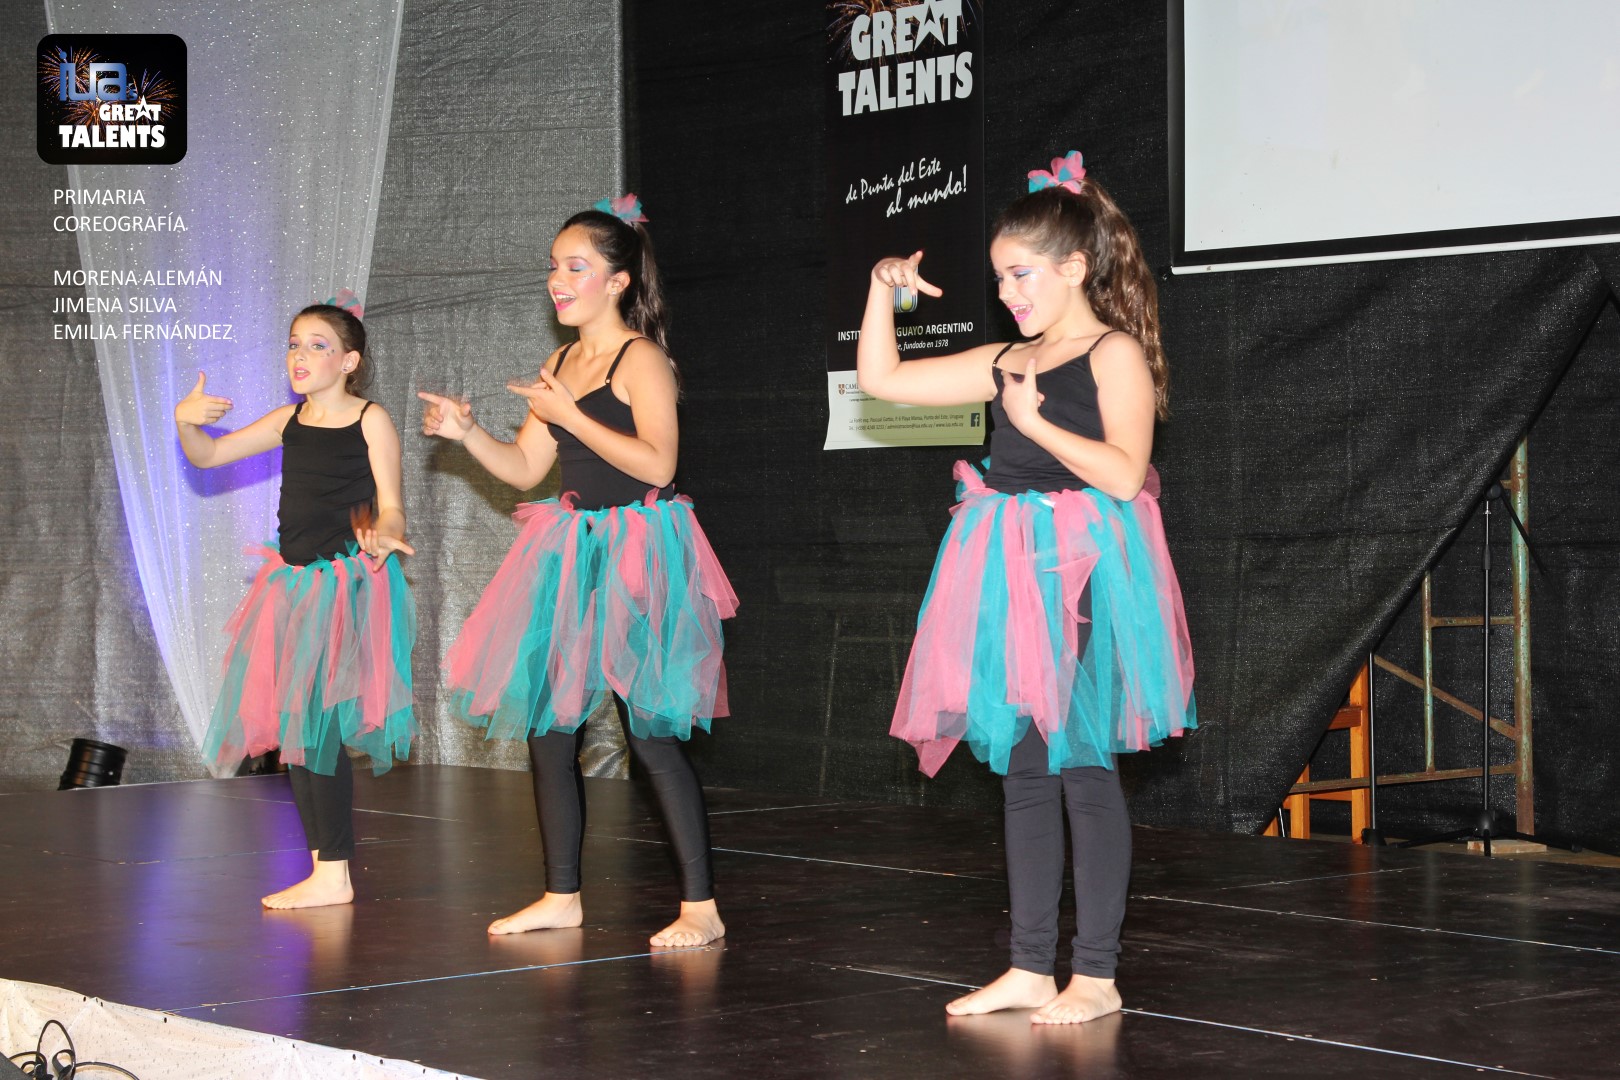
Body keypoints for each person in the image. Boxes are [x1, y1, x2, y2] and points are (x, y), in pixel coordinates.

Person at [857, 152, 1196, 1024]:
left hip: (1081, 569)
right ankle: (1030, 966)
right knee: (1024, 769)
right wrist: (882, 291)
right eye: (1000, 277)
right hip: (1008, 571)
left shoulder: (1112, 352)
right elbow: (882, 381)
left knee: (1082, 766)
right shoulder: (1009, 357)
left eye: (1021, 274)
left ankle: (1097, 975)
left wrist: (1035, 422)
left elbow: (1125, 474)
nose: (1007, 292)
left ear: (1075, 268)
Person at [420, 195, 736, 949]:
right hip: (571, 552)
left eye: (575, 267)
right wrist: (469, 434)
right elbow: (528, 467)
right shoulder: (560, 364)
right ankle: (561, 895)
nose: (557, 281)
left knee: (651, 735)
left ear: (618, 281)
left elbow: (658, 464)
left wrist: (572, 417)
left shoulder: (641, 359)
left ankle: (701, 906)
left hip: (639, 553)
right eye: (554, 268)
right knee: (548, 728)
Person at [175, 292, 416, 910]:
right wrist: (186, 422)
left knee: (318, 723)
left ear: (349, 362)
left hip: (344, 584)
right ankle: (324, 867)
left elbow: (391, 503)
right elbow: (209, 455)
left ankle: (334, 871)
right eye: (293, 344)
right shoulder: (289, 421)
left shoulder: (371, 420)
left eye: (317, 345)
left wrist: (384, 533)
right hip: (292, 584)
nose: (299, 356)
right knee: (299, 728)